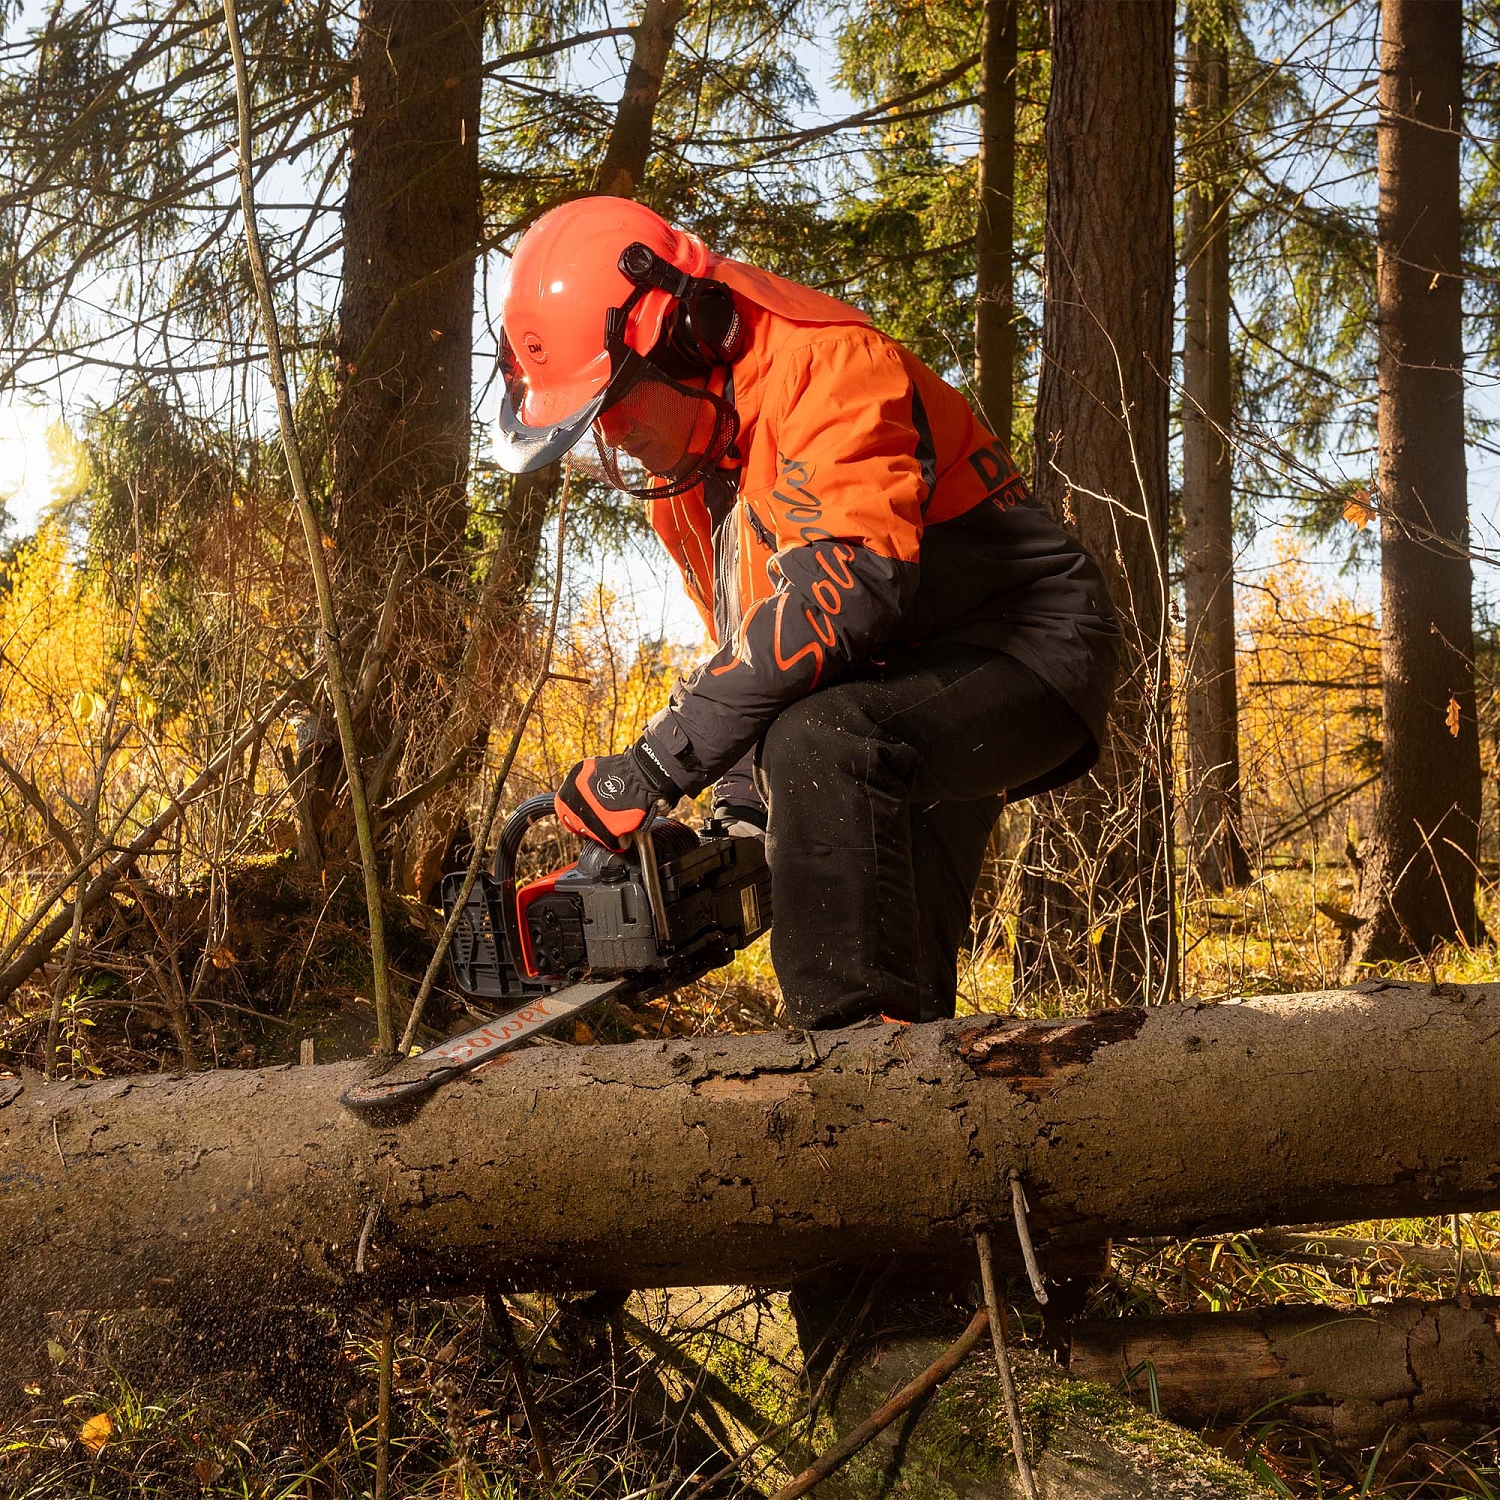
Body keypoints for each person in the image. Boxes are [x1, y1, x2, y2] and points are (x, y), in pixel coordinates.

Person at [494, 196, 1118, 1029]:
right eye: (598, 423)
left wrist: (651, 767)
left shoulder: (828, 364)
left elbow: (846, 592)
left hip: (1027, 650)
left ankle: (852, 1072)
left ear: (688, 334)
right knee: (909, 987)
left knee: (825, 743)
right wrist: (734, 818)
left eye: (624, 406)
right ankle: (918, 1110)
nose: (623, 439)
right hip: (898, 691)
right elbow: (766, 656)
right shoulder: (688, 488)